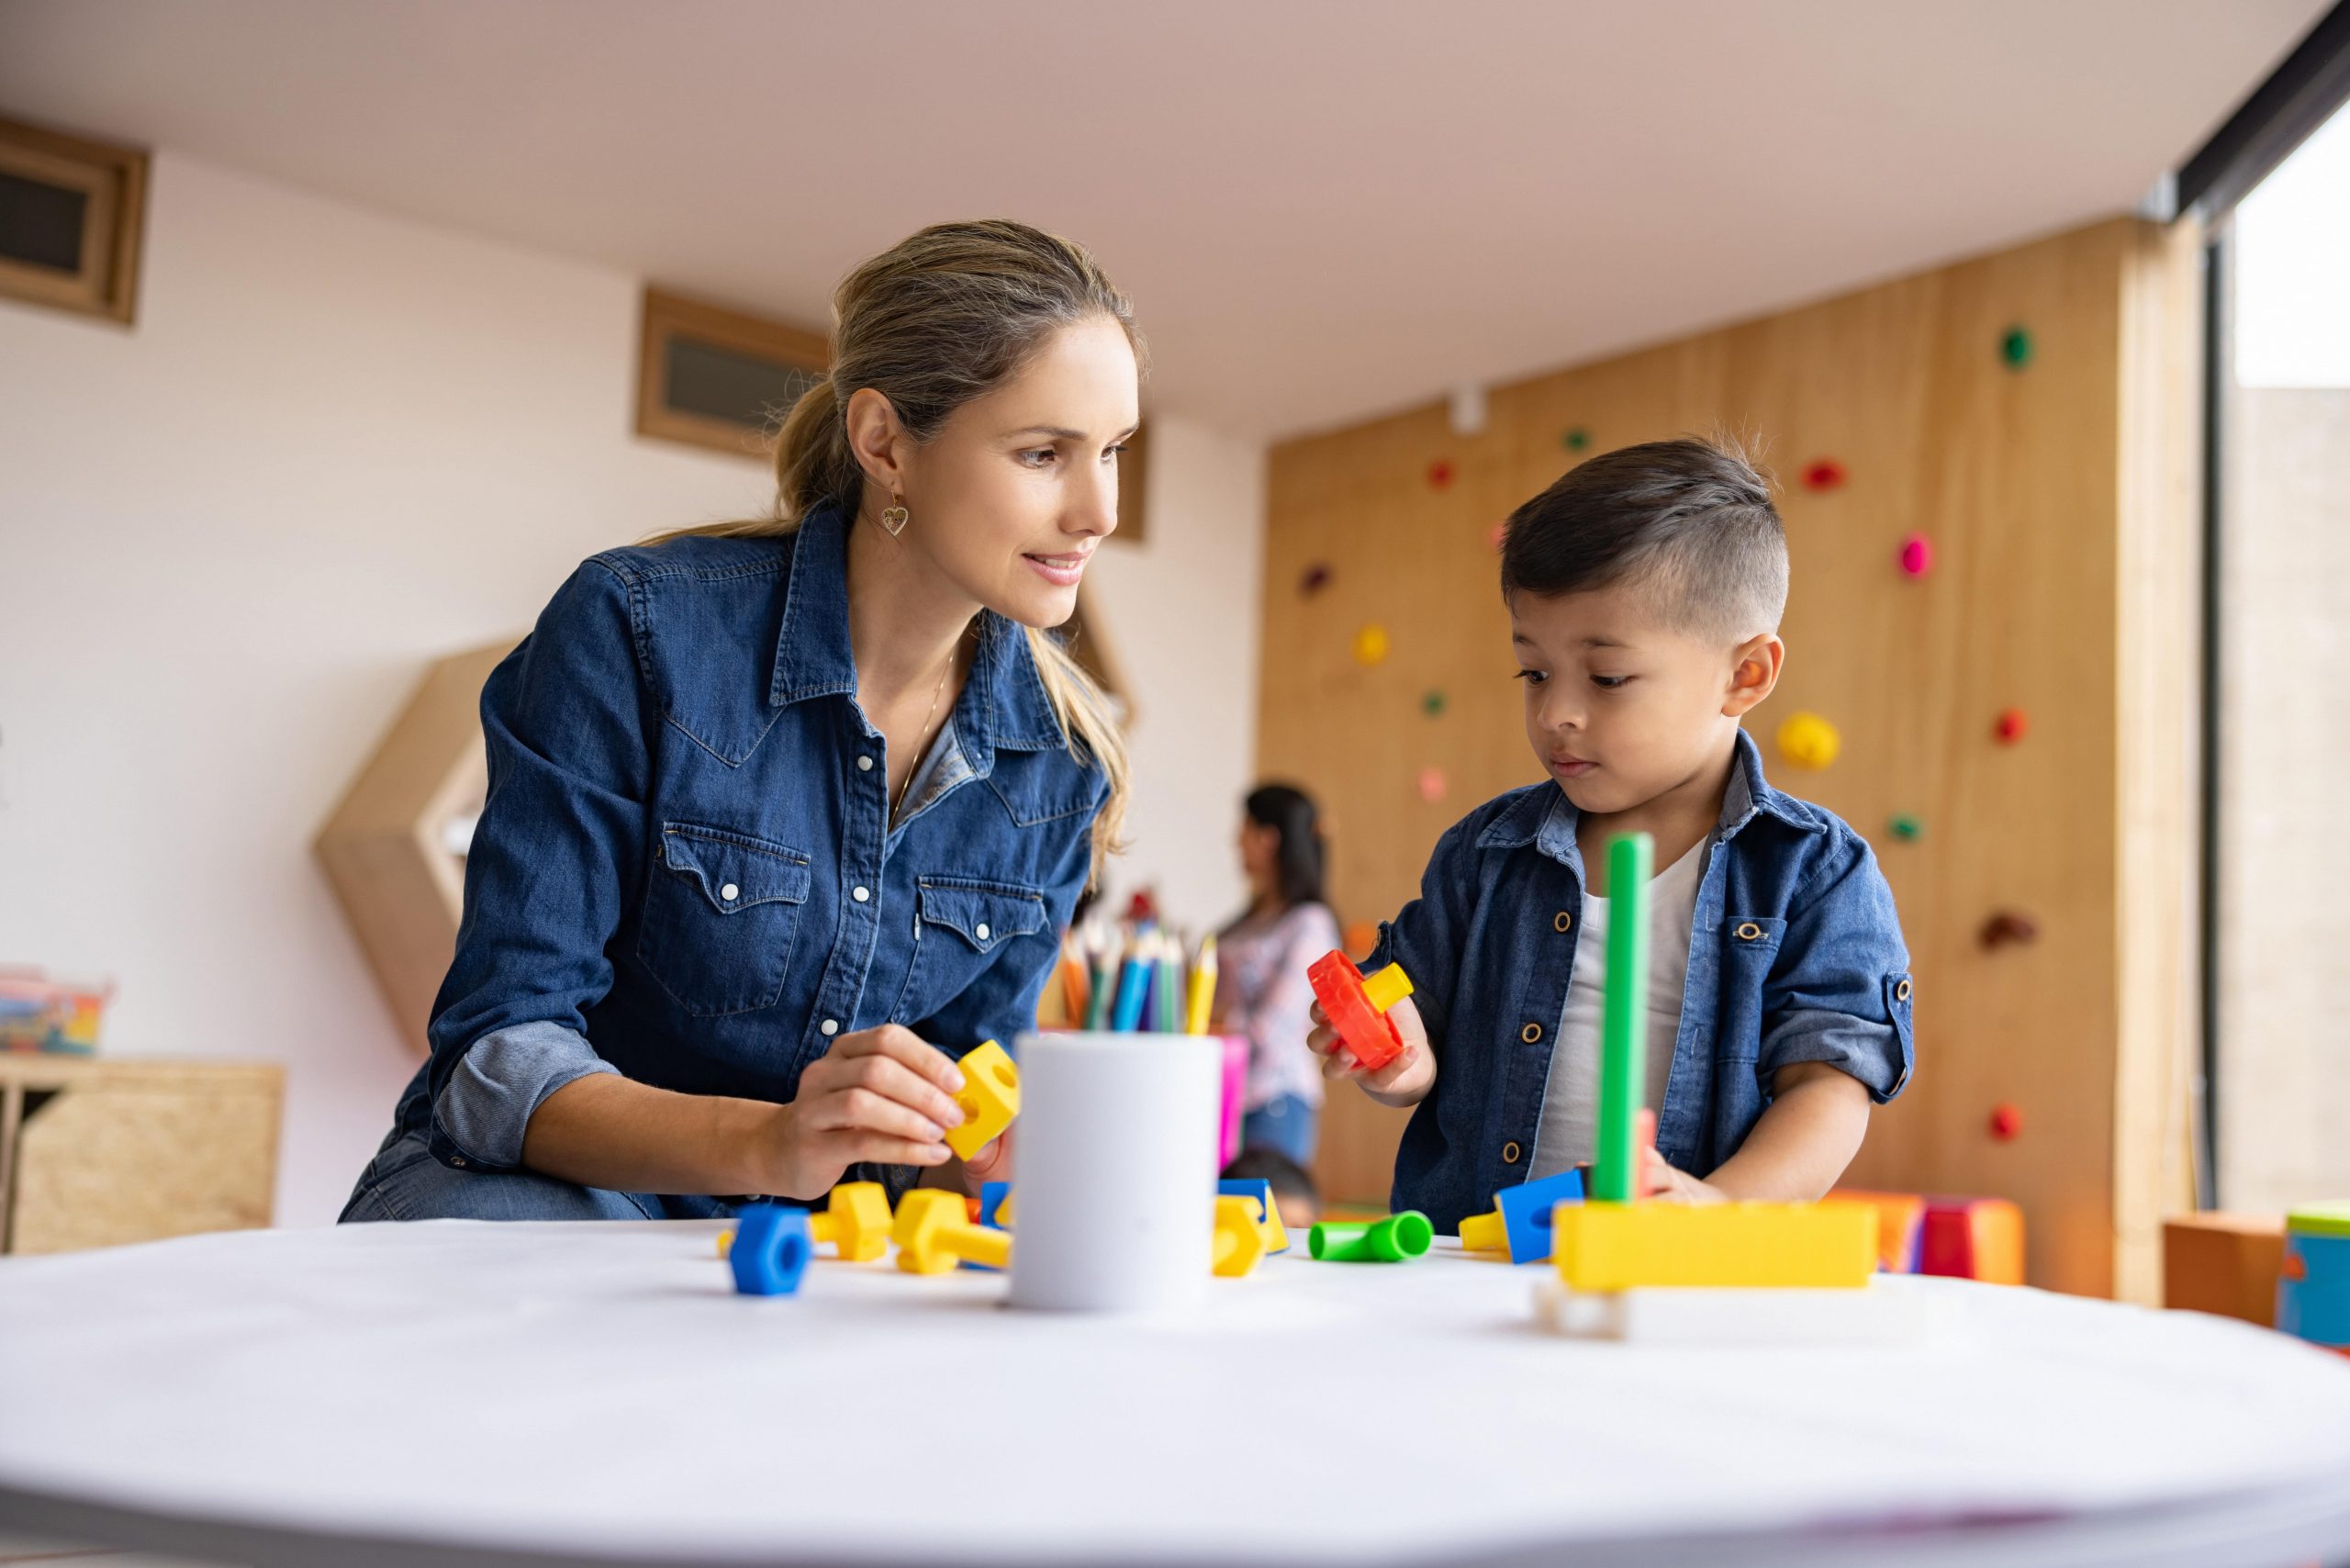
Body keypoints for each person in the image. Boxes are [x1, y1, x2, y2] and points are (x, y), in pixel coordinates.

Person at [341, 220, 1140, 1222]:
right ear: (885, 442)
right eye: (1042, 453)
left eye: (1112, 451)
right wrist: (768, 1142)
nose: (1100, 510)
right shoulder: (636, 629)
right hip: (546, 1197)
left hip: (807, 1242)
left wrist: (1003, 1152)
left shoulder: (1063, 764)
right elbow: (496, 1054)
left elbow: (956, 1122)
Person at [1307, 437, 1912, 1230]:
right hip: (1473, 1265)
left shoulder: (1812, 872)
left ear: (1746, 676)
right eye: (1534, 672)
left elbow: (1830, 1088)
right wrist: (1397, 1055)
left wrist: (1718, 1206)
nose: (1556, 710)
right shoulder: (1485, 853)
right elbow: (1416, 1015)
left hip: (1673, 1276)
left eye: (1607, 677)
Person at [1212, 785, 1340, 1167]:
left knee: (1263, 1218)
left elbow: (1273, 1026)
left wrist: (1214, 1025)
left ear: (1269, 839)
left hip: (1273, 1099)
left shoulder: (1309, 924)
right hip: (1227, 1093)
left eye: (1245, 828)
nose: (1236, 841)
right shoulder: (1251, 918)